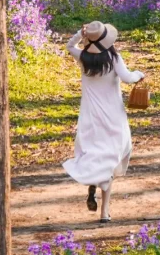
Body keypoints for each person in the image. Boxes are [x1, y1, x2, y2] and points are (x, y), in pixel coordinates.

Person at [62, 20, 144, 222]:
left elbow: (69, 46)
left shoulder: (83, 57)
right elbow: (127, 78)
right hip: (113, 114)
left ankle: (93, 181)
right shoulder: (113, 57)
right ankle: (104, 213)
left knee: (93, 152)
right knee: (112, 156)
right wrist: (139, 74)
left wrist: (80, 35)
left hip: (89, 114)